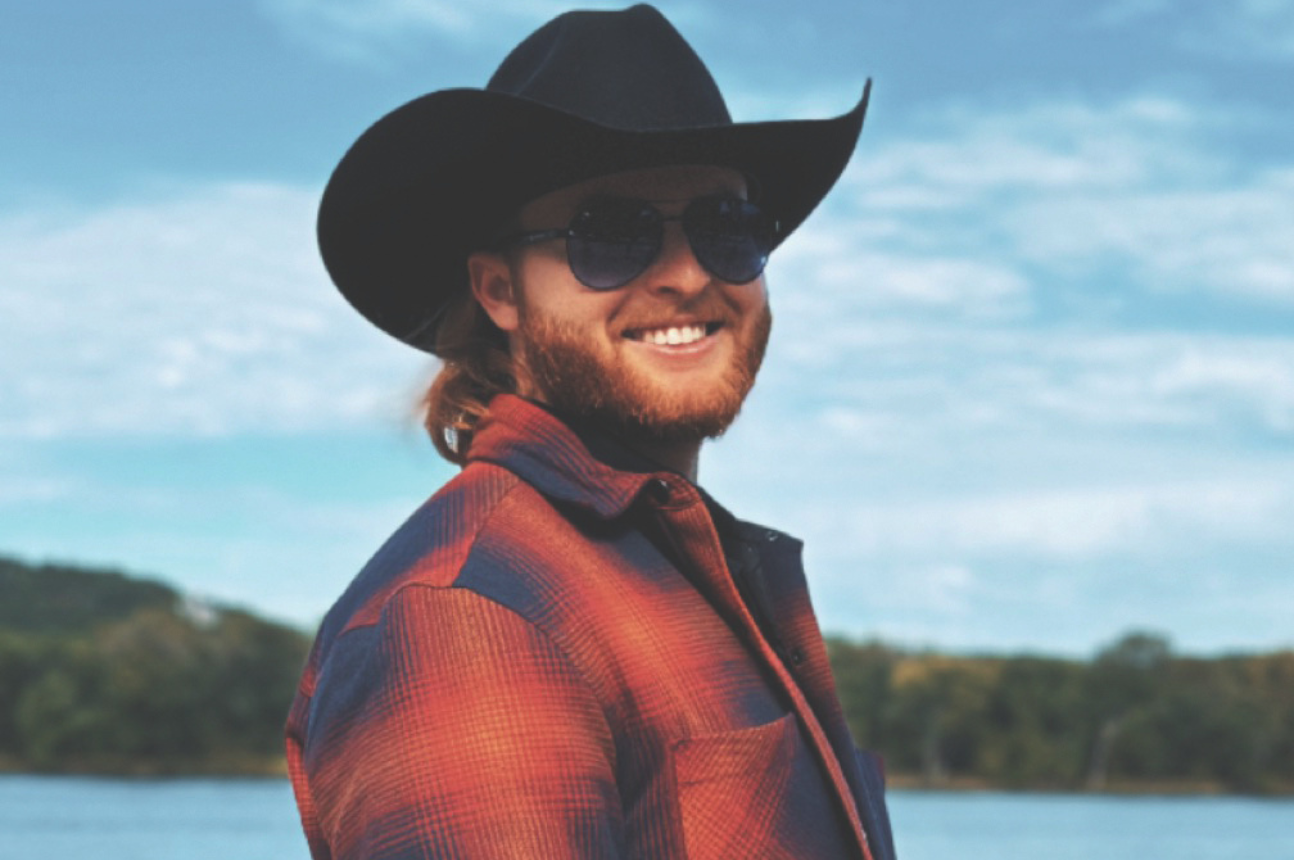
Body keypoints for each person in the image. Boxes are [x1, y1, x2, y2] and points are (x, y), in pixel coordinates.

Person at [285, 5, 896, 859]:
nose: (687, 275)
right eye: (611, 233)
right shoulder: (468, 617)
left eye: (726, 228)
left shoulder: (683, 574)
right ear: (499, 291)